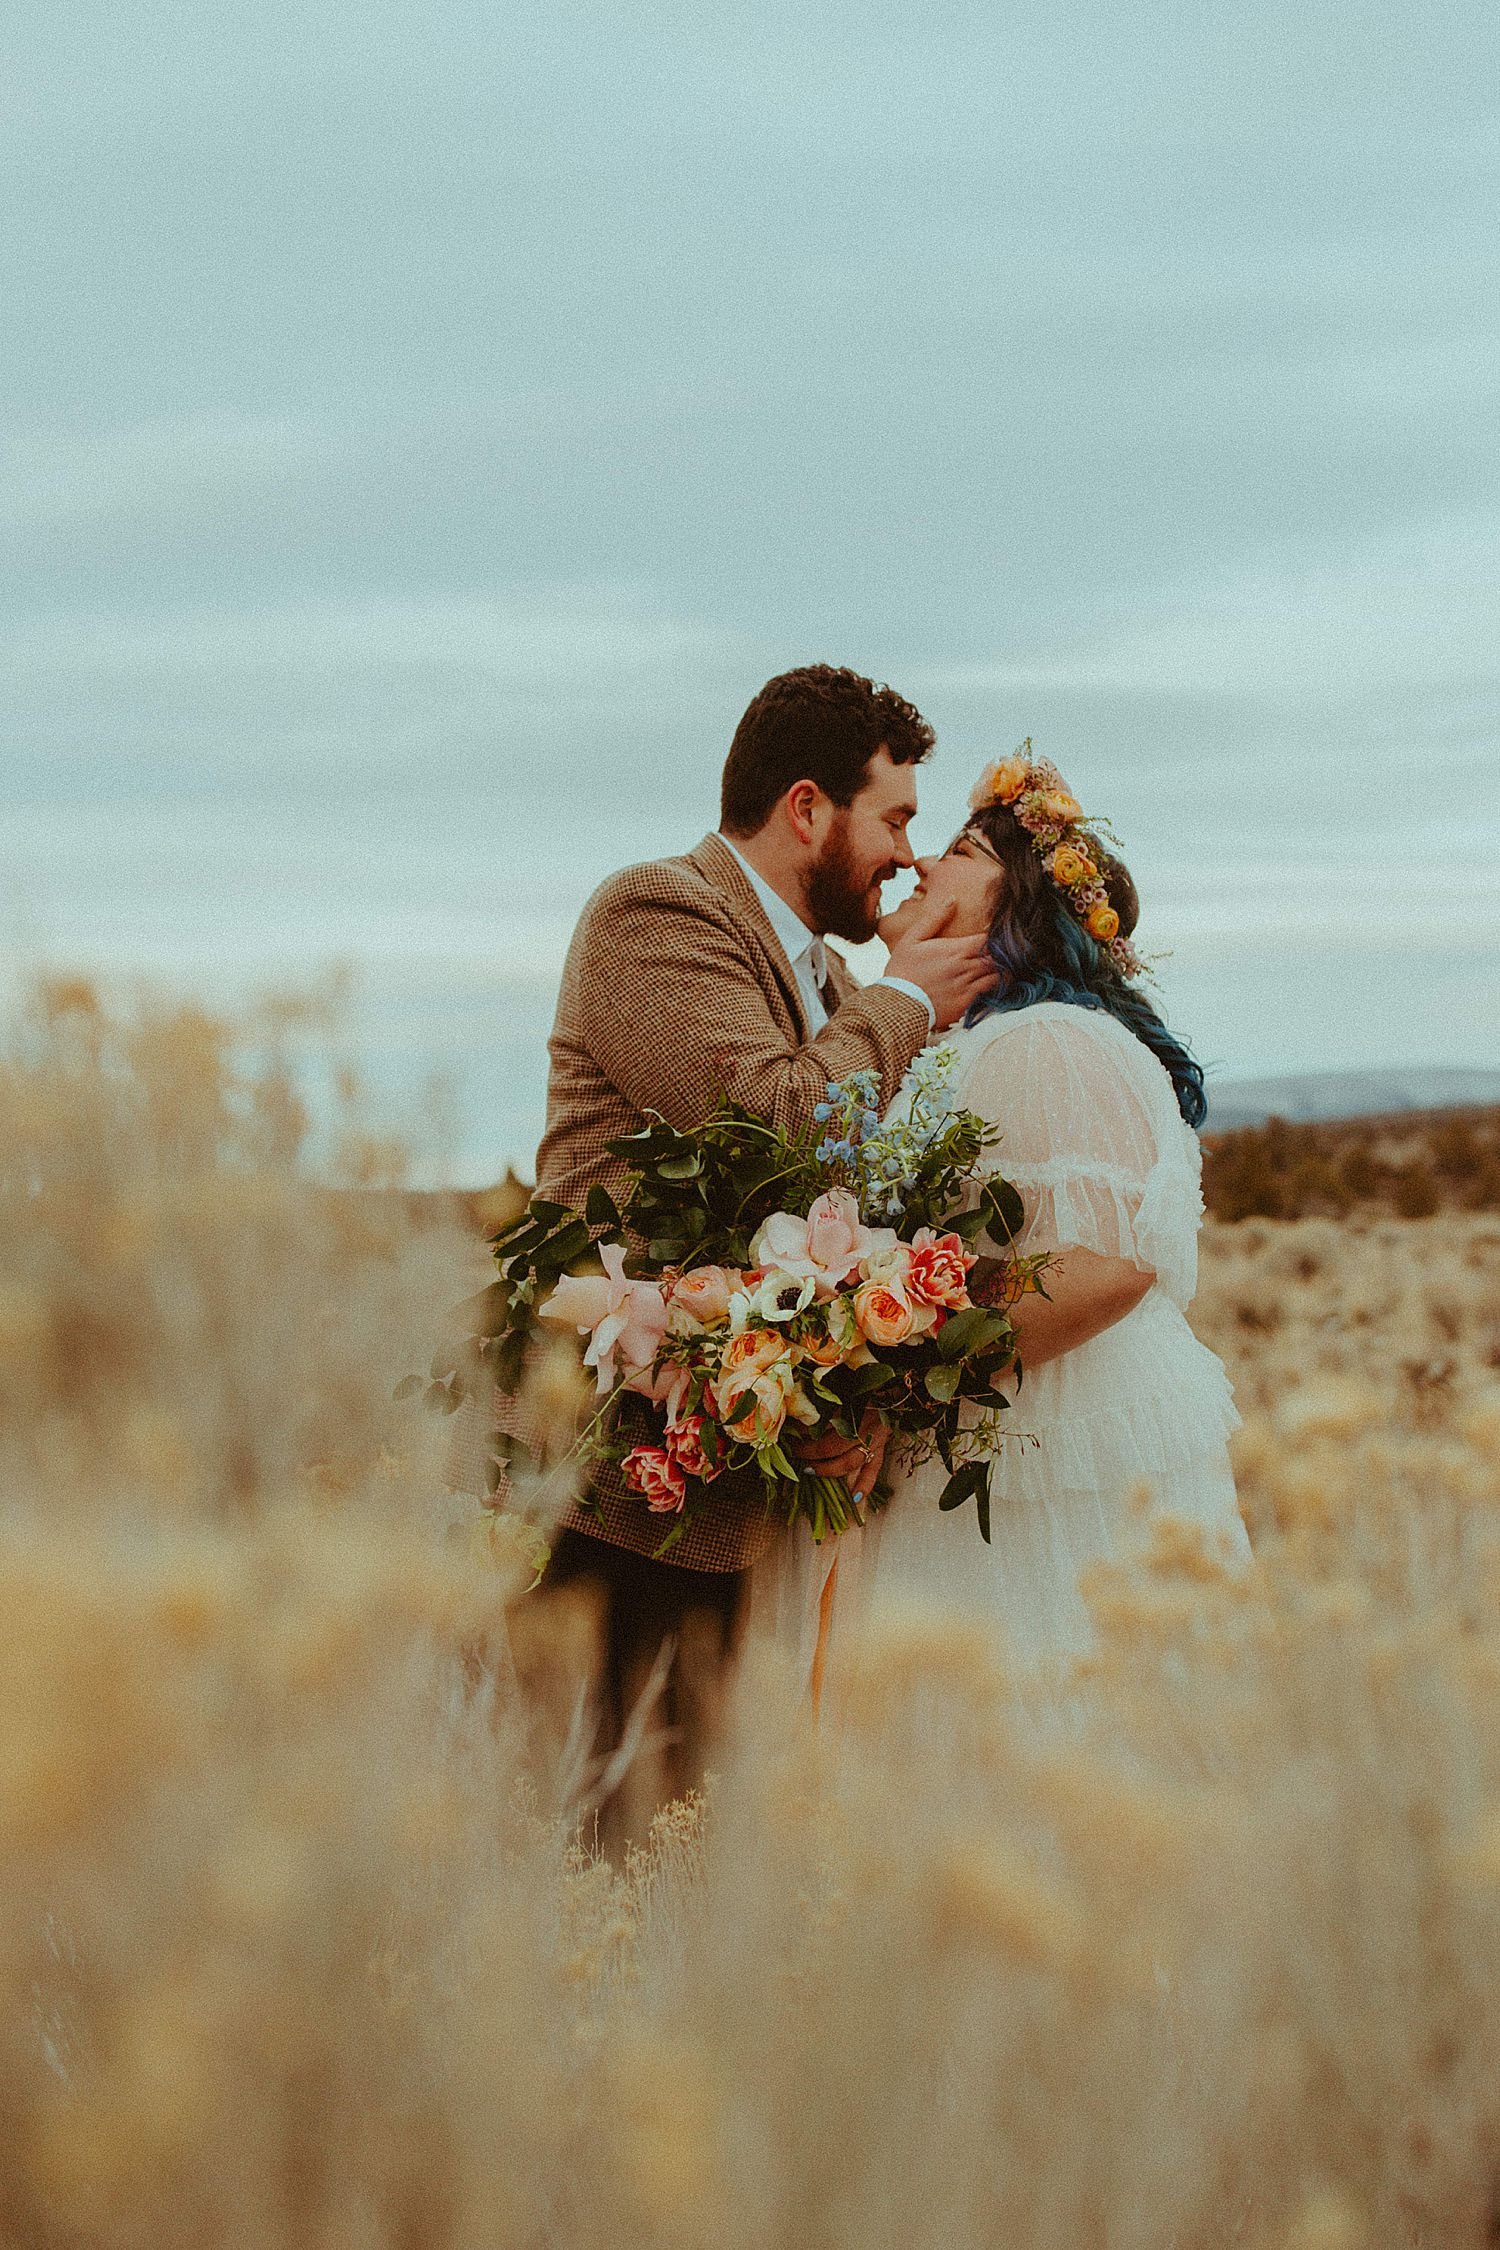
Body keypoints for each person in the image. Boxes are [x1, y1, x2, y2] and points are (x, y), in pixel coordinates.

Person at [450, 665, 995, 1837]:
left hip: (728, 1495)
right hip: (592, 1495)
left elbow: (818, 1225)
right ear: (808, 808)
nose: (907, 853)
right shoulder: (656, 914)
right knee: (559, 1833)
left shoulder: (829, 983)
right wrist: (905, 999)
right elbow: (775, 1121)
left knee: (666, 1855)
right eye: (893, 817)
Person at [762, 747, 1251, 1687]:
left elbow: (1105, 1264)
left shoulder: (1053, 1042)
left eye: (954, 847)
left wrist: (893, 1379)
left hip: (1041, 1457)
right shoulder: (970, 1044)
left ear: (1014, 898)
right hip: (970, 1444)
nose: (915, 864)